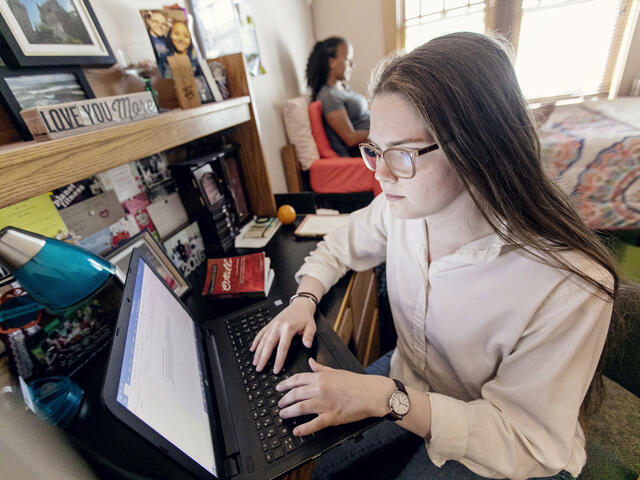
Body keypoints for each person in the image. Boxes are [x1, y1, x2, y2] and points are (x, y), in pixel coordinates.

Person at [251, 32, 618, 480]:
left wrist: (385, 398)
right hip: (413, 378)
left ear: (478, 147)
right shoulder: (400, 206)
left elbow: (526, 440)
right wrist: (302, 301)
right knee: (319, 466)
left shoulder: (569, 284)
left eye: (402, 153)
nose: (381, 174)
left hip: (501, 439)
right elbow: (339, 245)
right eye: (374, 151)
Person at [306, 37, 370, 157]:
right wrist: (381, 132)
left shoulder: (342, 88)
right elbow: (350, 138)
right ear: (332, 62)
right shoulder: (328, 96)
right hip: (368, 149)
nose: (352, 64)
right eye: (348, 59)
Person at [165, 20, 213, 103]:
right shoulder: (164, 62)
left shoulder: (196, 61)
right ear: (169, 36)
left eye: (186, 36)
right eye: (176, 34)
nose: (181, 39)